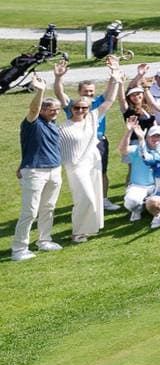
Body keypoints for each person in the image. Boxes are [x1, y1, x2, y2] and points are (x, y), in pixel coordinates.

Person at [53, 54, 123, 210]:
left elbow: (111, 94)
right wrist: (58, 78)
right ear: (79, 92)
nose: (89, 94)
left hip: (99, 141)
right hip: (79, 144)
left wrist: (115, 71)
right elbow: (59, 94)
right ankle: (83, 201)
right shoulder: (73, 105)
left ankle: (103, 200)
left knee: (102, 171)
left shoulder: (98, 101)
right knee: (81, 173)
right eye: (86, 92)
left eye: (91, 91)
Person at [12, 75, 64, 261]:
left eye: (57, 109)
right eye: (51, 109)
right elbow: (33, 108)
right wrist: (40, 91)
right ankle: (19, 249)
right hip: (35, 172)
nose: (55, 112)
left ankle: (44, 240)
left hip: (54, 170)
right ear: (42, 109)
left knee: (48, 207)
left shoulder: (53, 124)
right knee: (30, 211)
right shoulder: (32, 122)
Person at [57, 84, 107, 244]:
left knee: (95, 196)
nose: (80, 110)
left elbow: (110, 99)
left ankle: (87, 230)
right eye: (77, 108)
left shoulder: (92, 118)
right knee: (85, 198)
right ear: (71, 108)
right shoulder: (62, 128)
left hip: (93, 163)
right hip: (75, 167)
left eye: (84, 108)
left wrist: (115, 78)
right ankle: (77, 232)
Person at [121, 117, 160, 220]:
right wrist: (128, 132)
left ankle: (152, 207)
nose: (156, 139)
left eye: (158, 136)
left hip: (157, 187)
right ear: (147, 137)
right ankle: (138, 209)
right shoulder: (137, 148)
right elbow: (123, 150)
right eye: (153, 136)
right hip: (138, 186)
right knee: (131, 202)